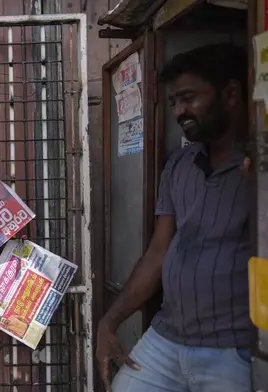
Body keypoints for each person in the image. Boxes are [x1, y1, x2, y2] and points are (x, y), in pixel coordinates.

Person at [96, 43, 251, 392]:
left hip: (233, 349)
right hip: (167, 338)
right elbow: (158, 252)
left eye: (189, 98)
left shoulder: (258, 167)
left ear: (230, 93)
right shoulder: (180, 165)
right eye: (173, 103)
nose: (180, 111)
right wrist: (110, 321)